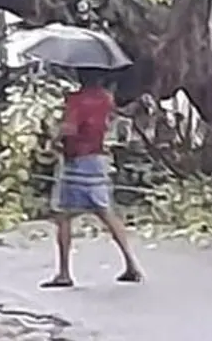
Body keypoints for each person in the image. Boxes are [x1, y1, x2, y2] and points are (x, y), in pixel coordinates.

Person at [41, 68, 142, 288]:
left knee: (64, 216)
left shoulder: (77, 101)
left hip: (76, 160)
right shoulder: (106, 99)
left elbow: (70, 128)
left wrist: (55, 135)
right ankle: (131, 263)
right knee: (106, 211)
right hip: (97, 159)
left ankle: (64, 272)